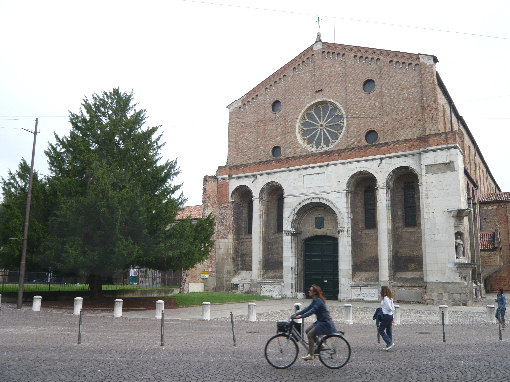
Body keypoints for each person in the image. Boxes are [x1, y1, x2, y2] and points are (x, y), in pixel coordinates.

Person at [292, 284, 336, 361]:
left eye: (310, 290)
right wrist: (297, 314)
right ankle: (321, 344)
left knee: (310, 334)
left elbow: (312, 311)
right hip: (320, 321)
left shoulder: (318, 301)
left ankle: (311, 354)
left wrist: (301, 317)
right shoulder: (315, 299)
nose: (309, 291)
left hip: (324, 322)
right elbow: (308, 308)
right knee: (307, 330)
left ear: (314, 292)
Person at [379, 285, 395, 351]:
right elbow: (392, 307)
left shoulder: (385, 298)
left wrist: (385, 310)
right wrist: (393, 317)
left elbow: (390, 308)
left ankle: (389, 342)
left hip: (386, 315)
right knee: (389, 330)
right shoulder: (390, 298)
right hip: (390, 315)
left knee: (381, 330)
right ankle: (389, 344)